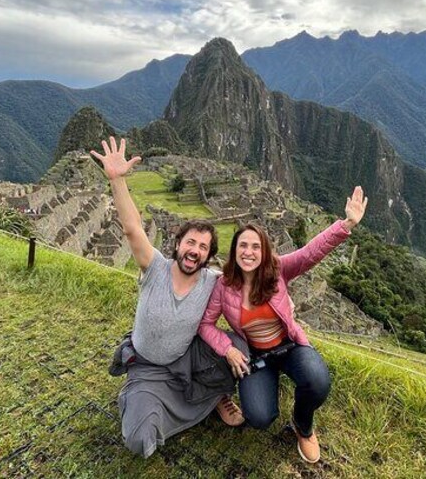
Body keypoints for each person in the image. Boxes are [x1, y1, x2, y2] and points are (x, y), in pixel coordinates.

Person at [91, 137, 244, 458]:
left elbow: (253, 277)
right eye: (191, 242)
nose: (195, 251)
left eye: (203, 247)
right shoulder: (154, 267)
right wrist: (117, 180)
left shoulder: (211, 280)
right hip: (147, 364)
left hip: (187, 357)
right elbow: (133, 228)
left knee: (242, 349)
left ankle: (212, 394)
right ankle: (141, 397)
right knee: (139, 441)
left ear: (209, 256)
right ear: (178, 244)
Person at [199, 186, 368, 464]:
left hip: (288, 346)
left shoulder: (278, 270)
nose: (249, 252)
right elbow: (206, 324)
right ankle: (267, 387)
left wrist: (346, 224)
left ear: (264, 252)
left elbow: (311, 252)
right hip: (255, 356)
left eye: (256, 246)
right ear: (235, 250)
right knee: (259, 417)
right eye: (243, 245)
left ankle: (303, 426)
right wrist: (228, 349)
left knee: (318, 381)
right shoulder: (224, 286)